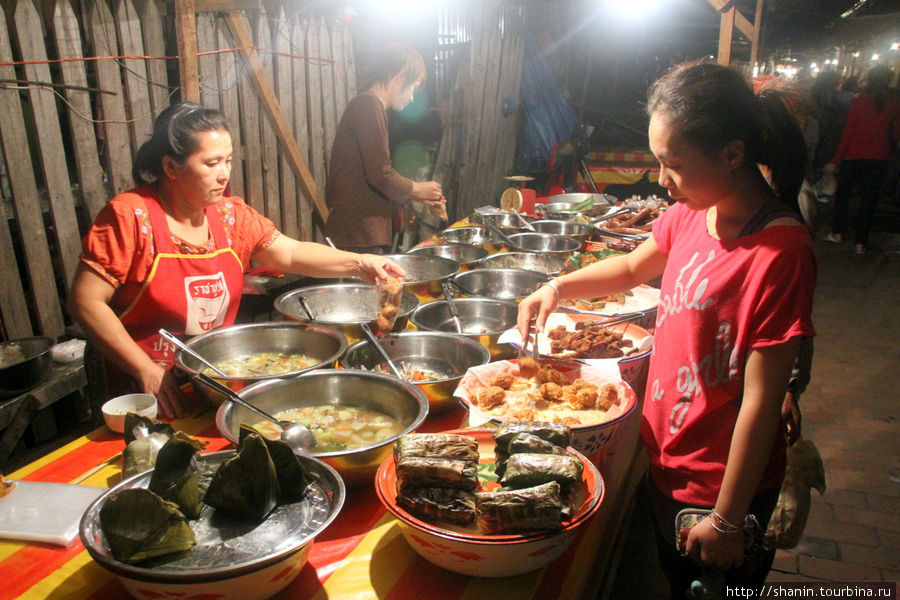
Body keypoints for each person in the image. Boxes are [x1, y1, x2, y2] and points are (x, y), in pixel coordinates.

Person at [517, 62, 816, 598]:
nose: (660, 179)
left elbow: (761, 402)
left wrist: (727, 521)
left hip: (718, 485)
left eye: (672, 164)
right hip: (666, 458)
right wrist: (556, 289)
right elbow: (633, 267)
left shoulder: (779, 252)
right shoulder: (691, 214)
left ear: (731, 153)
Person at [69, 103, 405, 419]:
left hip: (213, 380)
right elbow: (86, 302)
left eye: (228, 161)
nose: (224, 175)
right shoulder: (130, 217)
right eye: (211, 163)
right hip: (144, 388)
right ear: (172, 167)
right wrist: (145, 368)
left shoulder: (230, 216)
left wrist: (361, 263)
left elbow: (290, 253)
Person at [325, 44, 446, 253]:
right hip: (358, 237)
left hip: (362, 235)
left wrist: (421, 195)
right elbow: (380, 174)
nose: (411, 98)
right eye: (413, 88)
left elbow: (375, 174)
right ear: (399, 77)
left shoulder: (370, 107)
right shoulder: (368, 106)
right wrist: (417, 189)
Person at [824, 65, 900, 254]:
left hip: (853, 157)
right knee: (869, 201)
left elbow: (848, 134)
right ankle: (860, 243)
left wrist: (835, 160)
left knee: (843, 197)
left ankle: (838, 232)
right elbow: (897, 135)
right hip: (879, 159)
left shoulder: (858, 103)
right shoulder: (895, 104)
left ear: (869, 81)